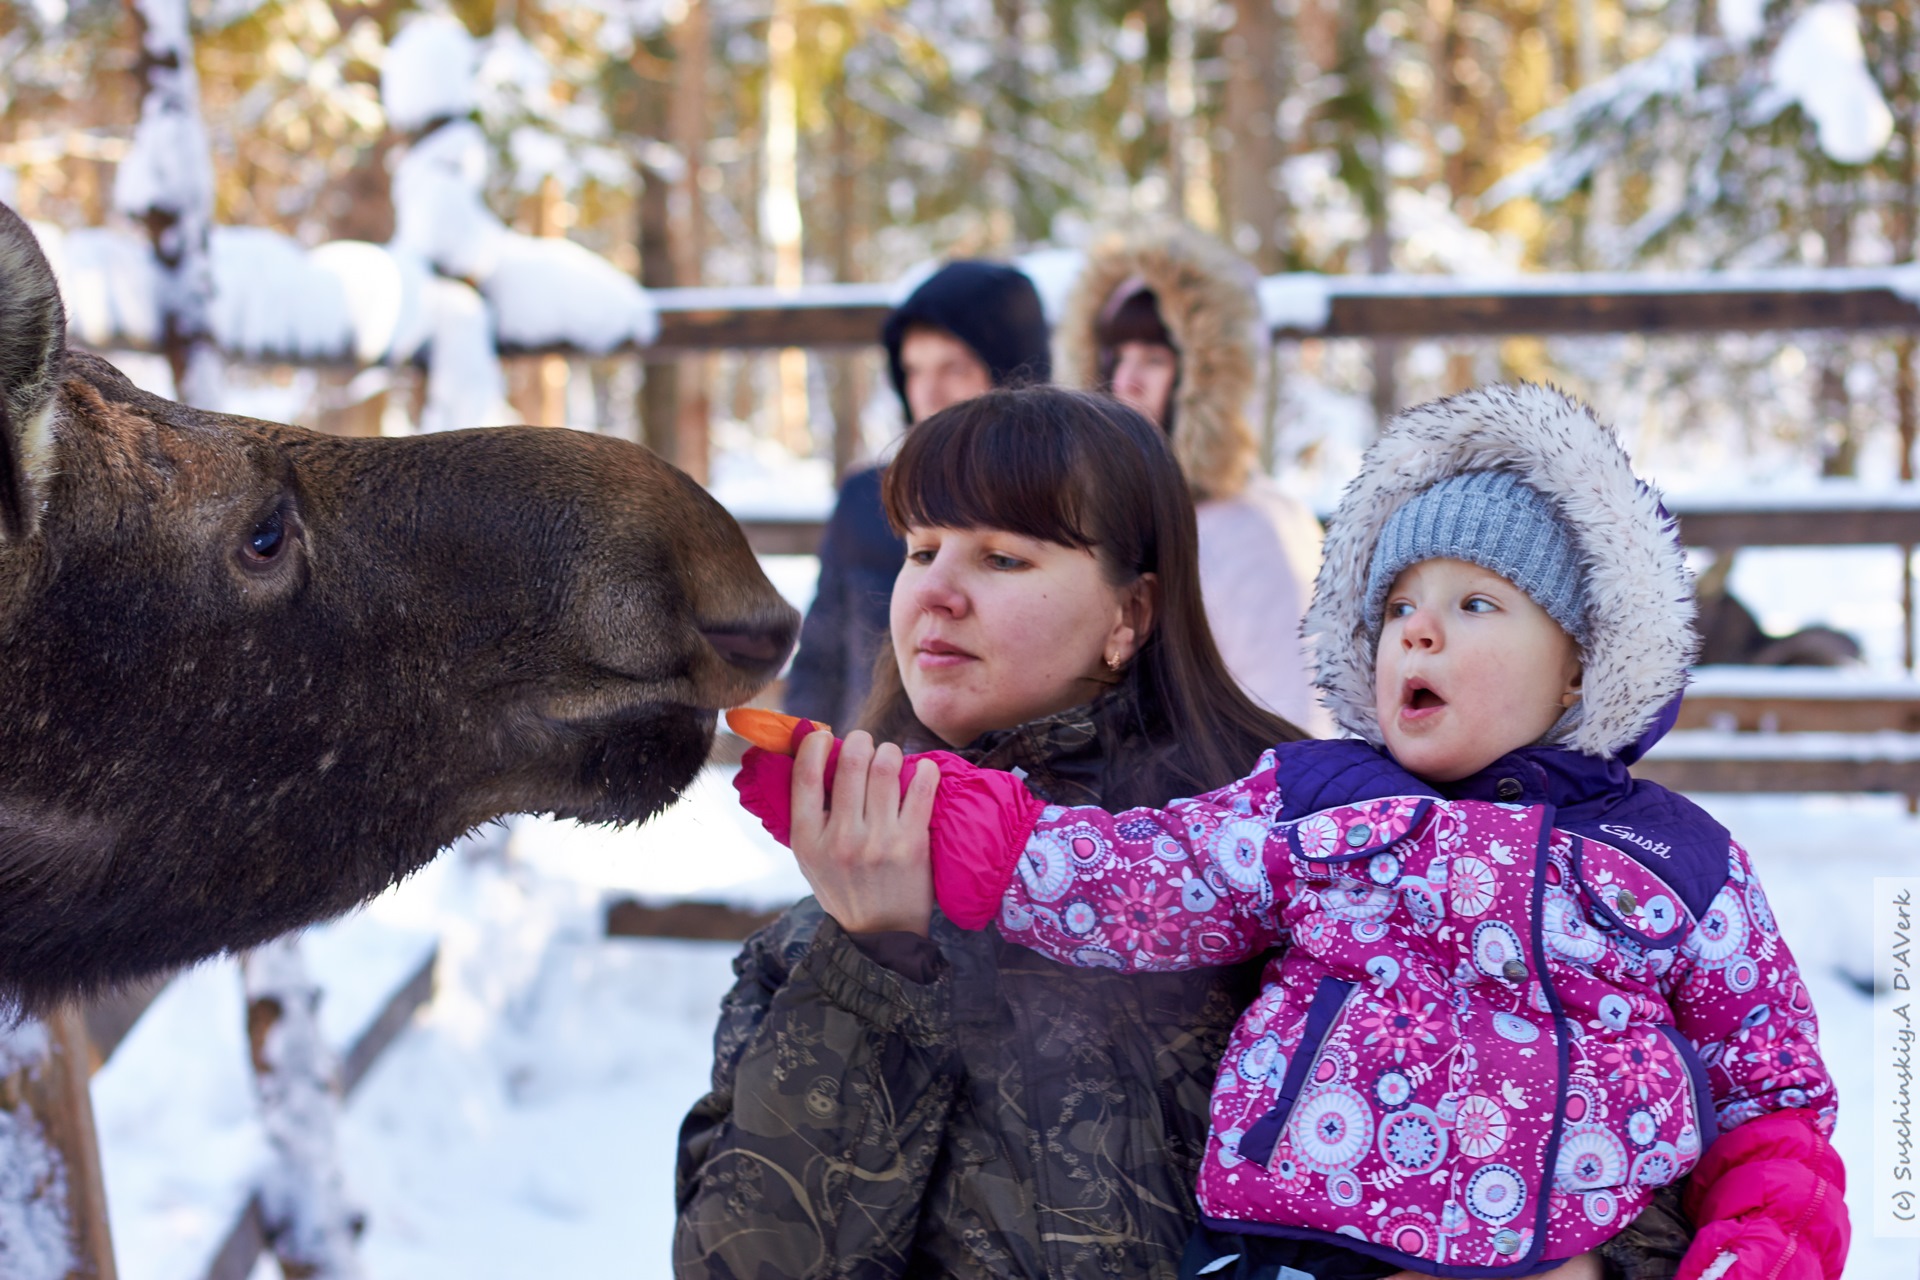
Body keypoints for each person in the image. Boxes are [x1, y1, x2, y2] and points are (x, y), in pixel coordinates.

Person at [740, 385, 1845, 1280]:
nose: (1419, 627)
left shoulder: (1675, 859)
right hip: (1296, 1249)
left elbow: (1771, 1097)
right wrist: (905, 846)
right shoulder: (1311, 810)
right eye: (1401, 602)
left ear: (1580, 665)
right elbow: (1117, 876)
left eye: (1476, 604)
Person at [675, 387, 1307, 1279]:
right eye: (920, 549)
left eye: (1002, 558)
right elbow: (740, 1267)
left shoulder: (1285, 862)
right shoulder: (828, 916)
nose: (934, 590)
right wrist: (871, 966)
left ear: (1131, 615)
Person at [1058, 226, 1328, 731]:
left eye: (1155, 360)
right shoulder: (1102, 517)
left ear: (1206, 378)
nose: (1126, 381)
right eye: (1118, 358)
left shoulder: (1253, 531)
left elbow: (1292, 720)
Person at [782, 261, 1052, 729]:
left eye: (954, 368)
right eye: (913, 369)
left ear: (1012, 374)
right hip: (866, 771)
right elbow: (822, 658)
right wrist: (804, 754)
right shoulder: (865, 498)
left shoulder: (1053, 503)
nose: (929, 392)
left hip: (996, 782)